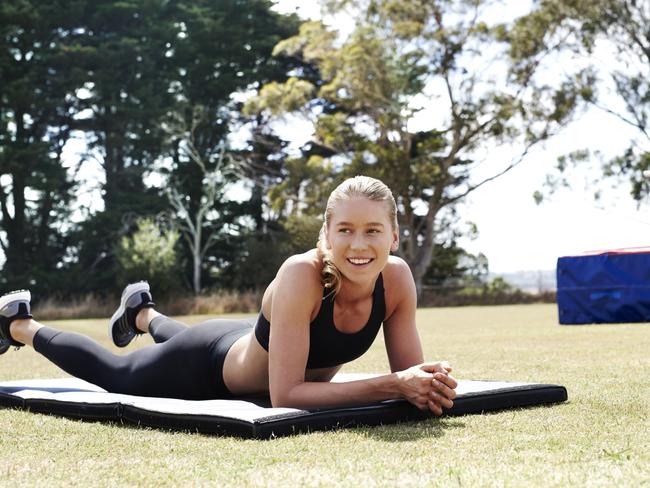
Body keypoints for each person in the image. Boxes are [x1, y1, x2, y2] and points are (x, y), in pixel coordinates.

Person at [0, 176, 457, 414]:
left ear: (394, 236)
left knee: (206, 342)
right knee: (118, 375)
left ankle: (142, 313)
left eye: (373, 231)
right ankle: (18, 322)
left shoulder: (396, 279)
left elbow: (411, 377)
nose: (359, 245)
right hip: (210, 366)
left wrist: (426, 384)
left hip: (256, 343)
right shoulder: (302, 274)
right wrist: (395, 385)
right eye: (346, 230)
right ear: (327, 234)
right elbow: (287, 395)